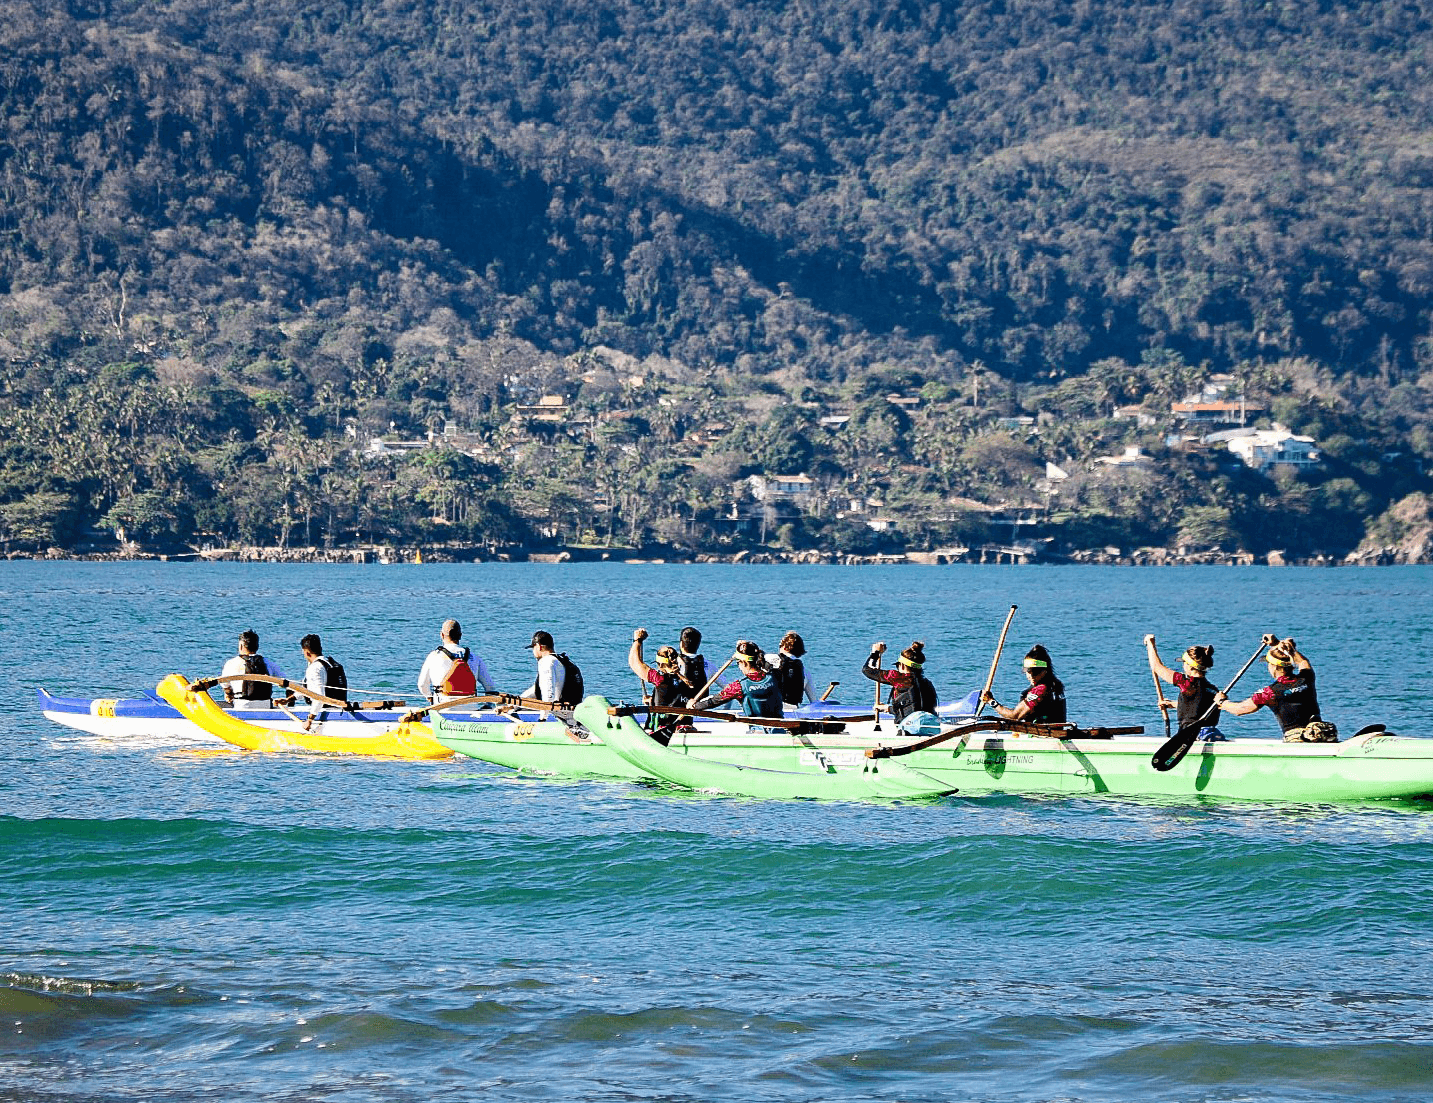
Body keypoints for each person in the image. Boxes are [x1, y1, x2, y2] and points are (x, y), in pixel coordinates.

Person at [1216, 635, 1337, 742]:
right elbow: (1302, 661)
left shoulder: (1269, 693)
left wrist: (1222, 702)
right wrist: (1281, 645)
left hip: (1297, 740)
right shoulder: (1306, 678)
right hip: (1322, 735)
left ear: (1273, 667)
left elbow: (1240, 709)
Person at [1145, 635, 1224, 741]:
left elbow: (1156, 667)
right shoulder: (1213, 689)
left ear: (1190, 666)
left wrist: (1150, 645)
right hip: (1207, 733)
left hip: (1188, 735)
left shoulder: (1185, 682)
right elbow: (1198, 707)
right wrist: (1174, 704)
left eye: (1184, 663)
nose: (1183, 666)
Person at [692, 640, 783, 721]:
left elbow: (714, 701)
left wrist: (695, 706)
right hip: (780, 728)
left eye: (738, 663)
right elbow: (770, 664)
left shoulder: (738, 687)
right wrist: (747, 647)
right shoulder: (775, 676)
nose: (739, 667)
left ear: (744, 663)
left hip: (757, 730)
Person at [862, 640, 939, 734]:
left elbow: (867, 670)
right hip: (930, 728)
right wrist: (886, 708)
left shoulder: (898, 678)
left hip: (908, 730)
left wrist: (875, 653)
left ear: (901, 666)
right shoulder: (927, 683)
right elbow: (914, 708)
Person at [983, 644, 1066, 726]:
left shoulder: (1041, 690)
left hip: (1044, 732)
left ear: (1045, 671)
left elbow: (1015, 716)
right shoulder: (1054, 685)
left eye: (1036, 672)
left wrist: (991, 701)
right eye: (1029, 671)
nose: (1031, 676)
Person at [628, 627, 691, 734]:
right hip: (684, 725)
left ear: (660, 664)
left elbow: (634, 663)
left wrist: (637, 641)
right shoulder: (687, 679)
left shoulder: (659, 678)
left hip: (662, 728)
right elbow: (674, 697)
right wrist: (652, 700)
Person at [418, 619, 497, 703]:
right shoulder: (474, 657)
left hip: (442, 706)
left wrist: (430, 697)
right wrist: (488, 705)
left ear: (442, 635)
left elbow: (422, 685)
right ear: (460, 635)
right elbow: (490, 687)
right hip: (470, 707)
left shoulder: (433, 656)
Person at [220, 629, 284, 707]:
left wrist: (229, 695)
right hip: (265, 705)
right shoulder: (269, 663)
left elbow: (225, 686)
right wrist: (288, 700)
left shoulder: (231, 663)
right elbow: (284, 683)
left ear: (241, 646)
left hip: (242, 705)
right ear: (257, 646)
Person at [297, 633, 347, 731]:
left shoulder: (315, 668)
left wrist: (310, 720)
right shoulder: (329, 663)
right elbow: (309, 689)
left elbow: (319, 697)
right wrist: (289, 699)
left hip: (325, 712)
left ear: (307, 652)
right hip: (338, 708)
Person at [521, 630, 582, 709]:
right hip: (571, 707)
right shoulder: (561, 661)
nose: (533, 651)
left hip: (557, 711)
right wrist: (513, 705)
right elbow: (535, 690)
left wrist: (544, 715)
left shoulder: (546, 661)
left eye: (533, 647)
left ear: (539, 646)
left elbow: (548, 693)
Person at [772, 631, 820, 707]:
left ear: (784, 647)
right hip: (794, 709)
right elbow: (814, 701)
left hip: (773, 709)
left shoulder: (770, 659)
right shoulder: (804, 671)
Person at [677, 625, 711, 698]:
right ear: (698, 644)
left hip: (678, 704)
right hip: (701, 704)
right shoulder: (708, 664)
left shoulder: (672, 664)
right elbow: (727, 688)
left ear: (681, 644)